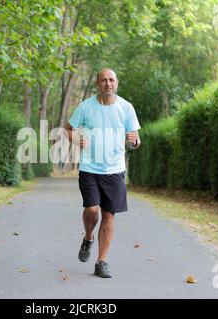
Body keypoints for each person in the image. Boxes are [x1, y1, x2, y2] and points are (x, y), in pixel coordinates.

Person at [64, 68, 141, 278]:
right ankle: (88, 237)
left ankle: (101, 262)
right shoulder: (86, 107)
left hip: (114, 170)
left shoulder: (126, 108)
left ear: (117, 83)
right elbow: (67, 129)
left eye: (111, 80)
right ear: (97, 84)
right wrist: (75, 139)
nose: (108, 84)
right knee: (92, 209)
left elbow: (135, 138)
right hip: (89, 168)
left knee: (109, 214)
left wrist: (134, 142)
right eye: (104, 80)